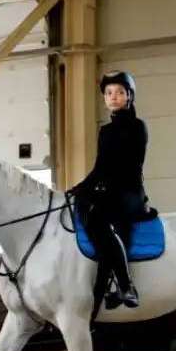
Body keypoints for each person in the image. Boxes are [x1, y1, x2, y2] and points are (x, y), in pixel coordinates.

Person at [70, 70, 151, 309]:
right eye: (109, 93)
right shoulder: (105, 131)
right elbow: (99, 168)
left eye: (119, 92)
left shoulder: (138, 127)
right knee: (82, 206)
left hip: (130, 191)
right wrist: (80, 188)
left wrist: (100, 188)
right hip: (111, 190)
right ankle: (105, 284)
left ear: (129, 96)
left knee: (96, 217)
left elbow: (131, 164)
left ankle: (126, 285)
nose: (113, 97)